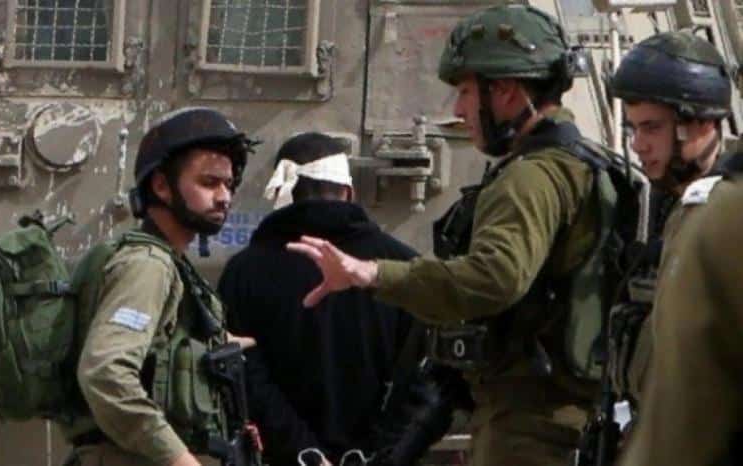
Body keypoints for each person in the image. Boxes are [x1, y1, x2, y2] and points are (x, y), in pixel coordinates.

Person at [287, 5, 634, 466]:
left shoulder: (531, 177)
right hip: (569, 415)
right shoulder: (589, 165)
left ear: (506, 91)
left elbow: (495, 277)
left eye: (467, 92)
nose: (458, 110)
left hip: (528, 428)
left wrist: (371, 274)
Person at [218, 132, 454, 466]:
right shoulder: (401, 267)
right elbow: (427, 381)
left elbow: (243, 375)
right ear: (348, 192)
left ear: (283, 194)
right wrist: (380, 455)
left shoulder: (243, 273)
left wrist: (304, 454)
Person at [63, 107, 257, 466]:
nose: (224, 197)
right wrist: (179, 459)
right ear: (162, 186)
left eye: (228, 185)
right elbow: (106, 373)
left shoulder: (170, 263)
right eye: (209, 183)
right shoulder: (147, 266)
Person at [605, 30, 734, 419]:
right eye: (633, 129)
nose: (637, 145)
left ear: (701, 125)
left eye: (652, 127)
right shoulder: (672, 206)